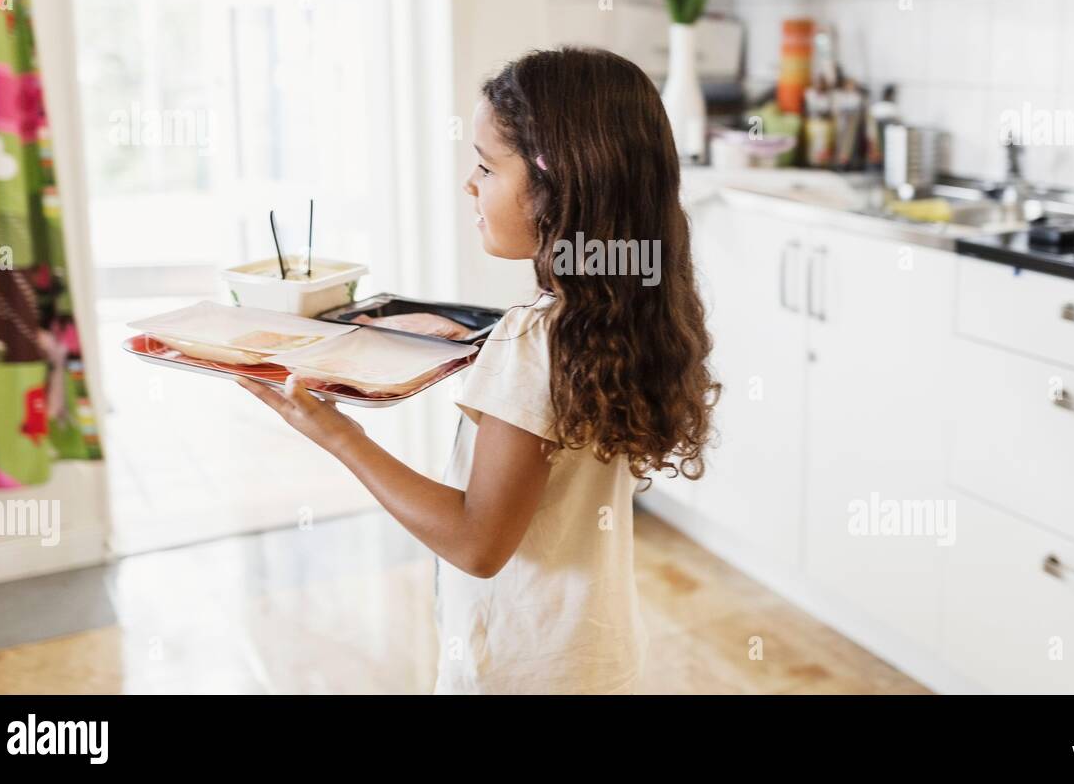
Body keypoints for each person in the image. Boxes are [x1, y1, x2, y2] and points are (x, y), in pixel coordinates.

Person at [238, 45, 719, 693]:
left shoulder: (535, 341)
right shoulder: (619, 312)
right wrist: (480, 340)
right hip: (593, 661)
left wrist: (337, 435)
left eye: (487, 167)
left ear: (559, 189)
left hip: (515, 676)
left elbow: (477, 542)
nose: (470, 184)